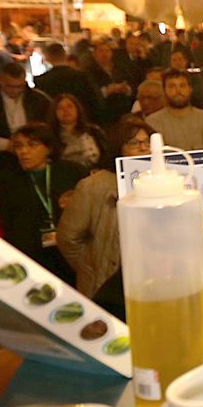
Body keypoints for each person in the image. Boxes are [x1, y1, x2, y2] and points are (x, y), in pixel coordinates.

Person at [59, 115, 153, 306]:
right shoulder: (93, 186)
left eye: (147, 142)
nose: (144, 148)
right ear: (119, 148)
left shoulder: (162, 183)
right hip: (106, 286)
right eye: (135, 143)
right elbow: (68, 238)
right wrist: (92, 264)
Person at [0, 122, 86, 285]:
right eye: (19, 146)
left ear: (48, 148)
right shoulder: (1, 183)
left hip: (71, 260)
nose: (24, 151)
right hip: (24, 264)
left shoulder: (74, 173)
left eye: (32, 145)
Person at [0, 61, 52, 177]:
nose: (15, 91)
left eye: (20, 86)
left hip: (37, 160)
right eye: (10, 86)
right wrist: (4, 144)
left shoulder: (39, 100)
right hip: (1, 164)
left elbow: (51, 128)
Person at [146, 68, 203, 151]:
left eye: (182, 86)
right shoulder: (153, 122)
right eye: (172, 86)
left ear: (190, 89)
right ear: (164, 91)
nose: (178, 91)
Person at [34, 42, 99, 120]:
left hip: (54, 123)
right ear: (65, 56)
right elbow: (95, 101)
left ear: (47, 58)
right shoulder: (82, 76)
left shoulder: (41, 81)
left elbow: (39, 108)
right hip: (81, 120)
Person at [82, 38, 132, 125]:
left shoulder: (120, 68)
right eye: (101, 51)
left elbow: (132, 83)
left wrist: (126, 89)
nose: (104, 54)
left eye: (107, 51)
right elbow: (88, 91)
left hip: (123, 110)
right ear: (94, 54)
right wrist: (106, 91)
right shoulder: (89, 72)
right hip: (102, 113)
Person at [51, 93, 105, 169]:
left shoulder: (94, 132)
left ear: (77, 109)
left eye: (70, 106)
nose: (66, 110)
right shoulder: (51, 136)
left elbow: (106, 156)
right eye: (60, 108)